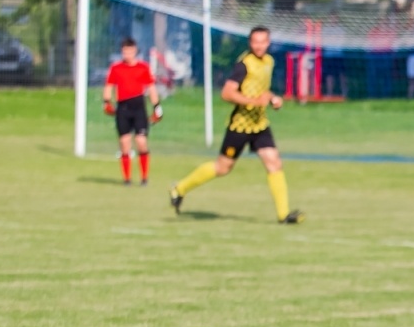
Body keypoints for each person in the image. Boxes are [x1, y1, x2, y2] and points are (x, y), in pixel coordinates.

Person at [169, 26, 303, 223]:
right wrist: (253, 102)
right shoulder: (244, 65)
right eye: (255, 41)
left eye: (262, 41)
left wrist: (273, 99)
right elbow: (227, 93)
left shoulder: (268, 61)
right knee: (222, 168)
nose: (259, 45)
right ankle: (179, 188)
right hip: (240, 125)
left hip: (259, 123)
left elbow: (262, 91)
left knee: (274, 162)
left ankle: (284, 215)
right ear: (250, 43)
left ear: (268, 42)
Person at [102, 38, 162, 185]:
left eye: (130, 51)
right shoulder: (116, 68)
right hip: (122, 108)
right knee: (125, 143)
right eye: (124, 51)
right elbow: (109, 86)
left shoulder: (143, 67)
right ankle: (127, 179)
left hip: (138, 108)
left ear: (135, 51)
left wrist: (156, 107)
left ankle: (144, 177)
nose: (127, 54)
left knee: (141, 141)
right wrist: (107, 102)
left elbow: (151, 88)